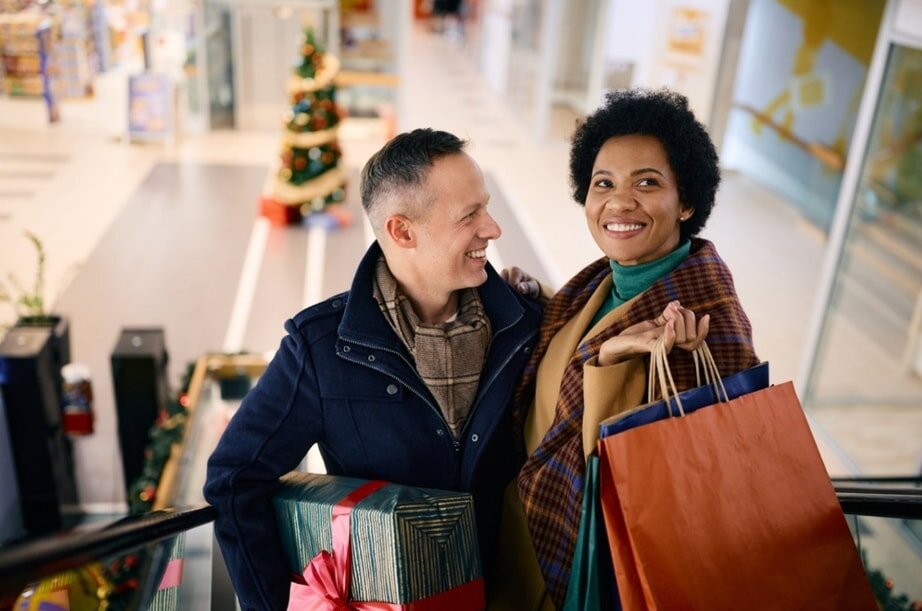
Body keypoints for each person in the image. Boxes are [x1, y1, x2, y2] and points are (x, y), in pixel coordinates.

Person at [204, 128, 542, 610]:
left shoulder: (525, 327)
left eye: (485, 207)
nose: (492, 228)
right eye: (470, 215)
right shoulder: (321, 348)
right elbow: (234, 480)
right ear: (402, 231)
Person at [509, 88, 761, 607]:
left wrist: (610, 360)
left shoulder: (703, 320)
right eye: (603, 183)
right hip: (539, 541)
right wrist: (544, 301)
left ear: (686, 201)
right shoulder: (597, 285)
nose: (619, 202)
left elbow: (672, 478)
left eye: (647, 183)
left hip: (607, 571)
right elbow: (591, 334)